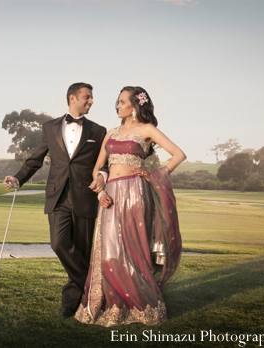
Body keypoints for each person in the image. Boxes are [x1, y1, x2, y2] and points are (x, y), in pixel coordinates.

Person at [74, 86, 186, 326]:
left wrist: (153, 174)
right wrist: (100, 191)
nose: (117, 105)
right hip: (111, 193)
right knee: (109, 251)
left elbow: (178, 155)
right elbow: (97, 169)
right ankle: (109, 303)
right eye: (117, 101)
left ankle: (141, 304)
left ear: (135, 105)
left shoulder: (147, 129)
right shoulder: (111, 133)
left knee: (134, 250)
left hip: (135, 192)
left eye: (122, 101)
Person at [4, 82, 108, 319]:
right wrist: (18, 178)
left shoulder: (99, 131)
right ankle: (96, 288)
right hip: (58, 196)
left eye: (91, 98)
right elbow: (35, 159)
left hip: (86, 196)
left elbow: (105, 163)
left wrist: (102, 176)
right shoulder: (49, 127)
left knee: (81, 250)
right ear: (73, 98)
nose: (91, 101)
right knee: (59, 244)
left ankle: (70, 305)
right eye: (87, 97)